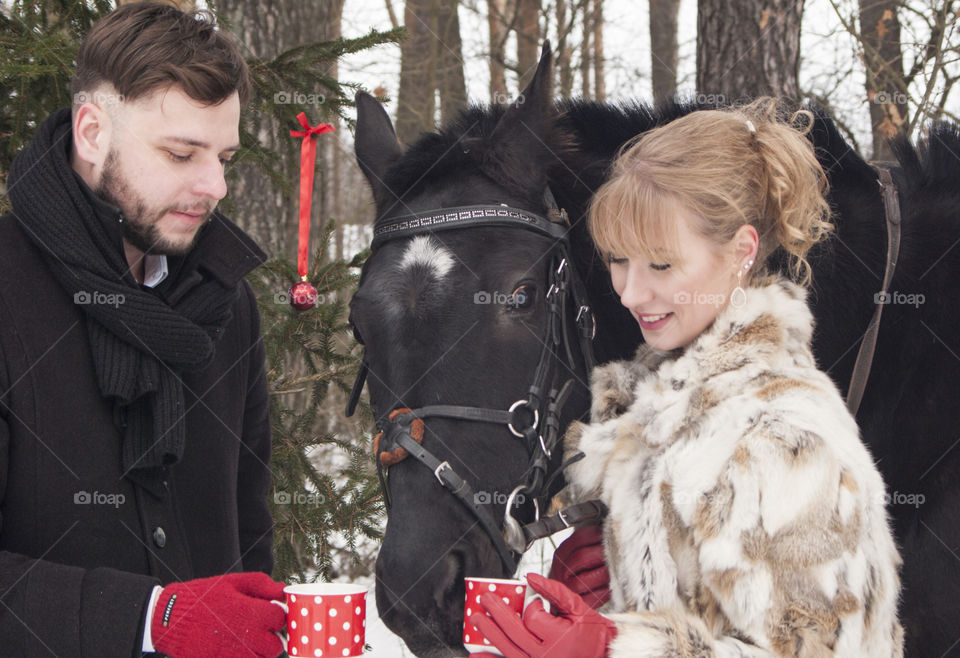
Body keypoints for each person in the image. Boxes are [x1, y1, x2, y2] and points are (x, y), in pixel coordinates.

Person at [469, 100, 904, 657]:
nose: (629, 292)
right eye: (618, 259)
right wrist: (607, 594)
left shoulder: (783, 434)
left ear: (741, 251)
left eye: (661, 265)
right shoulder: (660, 412)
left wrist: (609, 649)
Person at [0, 4, 286, 656]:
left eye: (225, 157)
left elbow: (250, 538)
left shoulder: (226, 302)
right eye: (181, 152)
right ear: (93, 131)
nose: (214, 185)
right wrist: (149, 619)